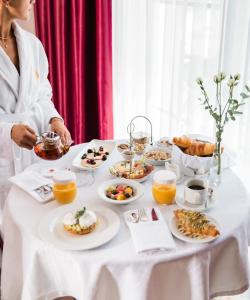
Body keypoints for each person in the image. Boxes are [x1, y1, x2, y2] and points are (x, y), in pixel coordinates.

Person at [0, 0, 71, 207]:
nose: (33, 1)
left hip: (34, 155)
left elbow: (41, 93)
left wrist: (54, 119)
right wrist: (9, 132)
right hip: (5, 157)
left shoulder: (32, 44)